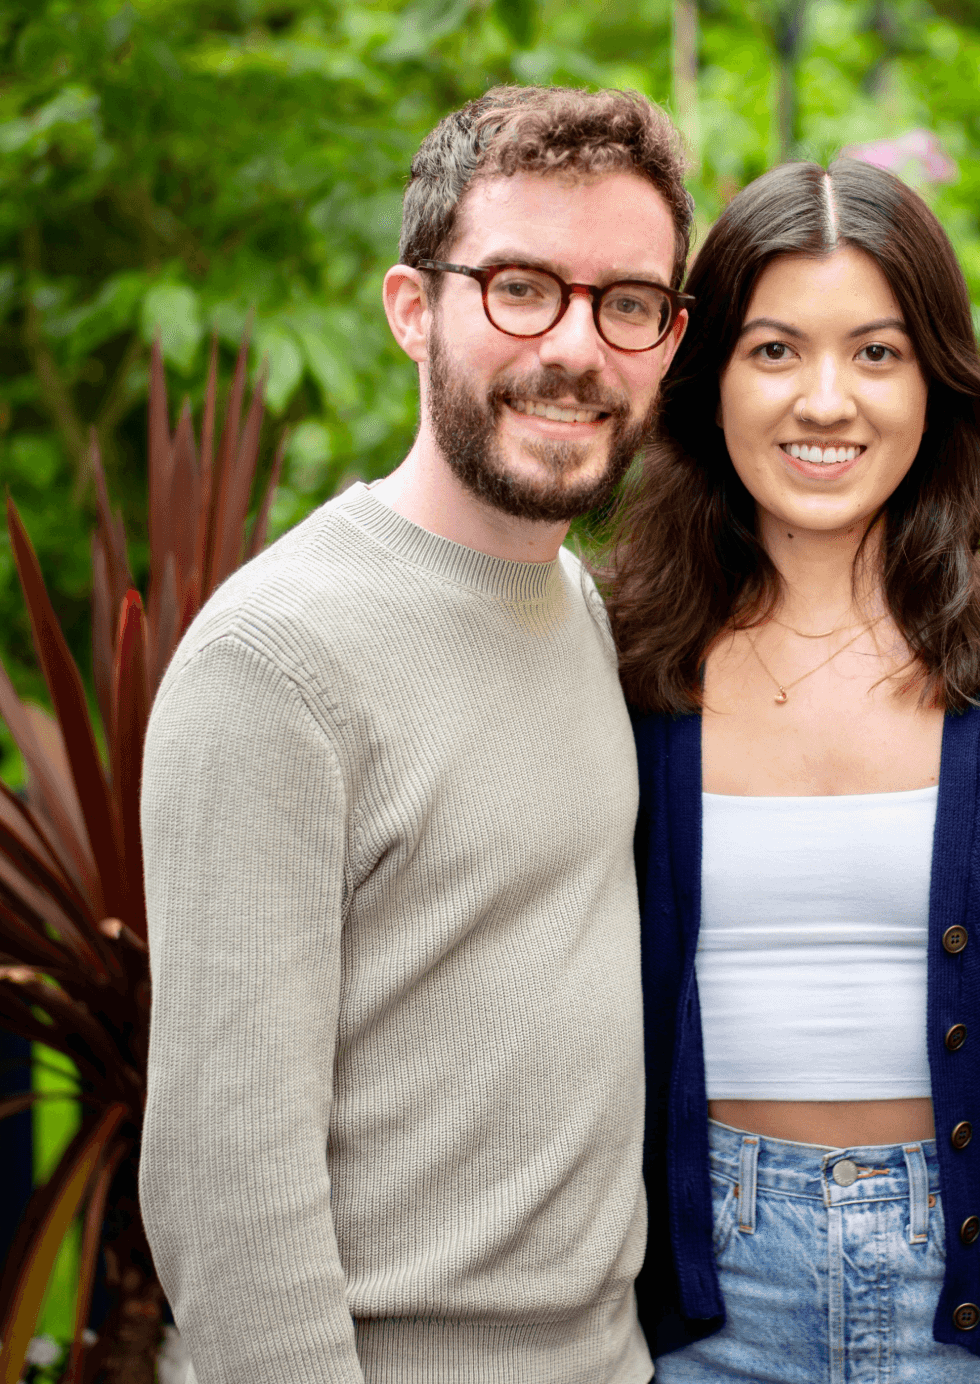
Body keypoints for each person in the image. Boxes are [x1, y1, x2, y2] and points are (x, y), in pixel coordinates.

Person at [603, 158, 980, 1384]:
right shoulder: (620, 664)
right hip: (700, 1315)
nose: (826, 400)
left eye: (875, 352)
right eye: (774, 350)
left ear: (936, 380)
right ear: (707, 378)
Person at [138, 85, 690, 1384]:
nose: (576, 347)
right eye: (519, 288)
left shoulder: (582, 609)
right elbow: (227, 1197)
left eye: (626, 303)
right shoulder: (272, 663)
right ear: (410, 308)